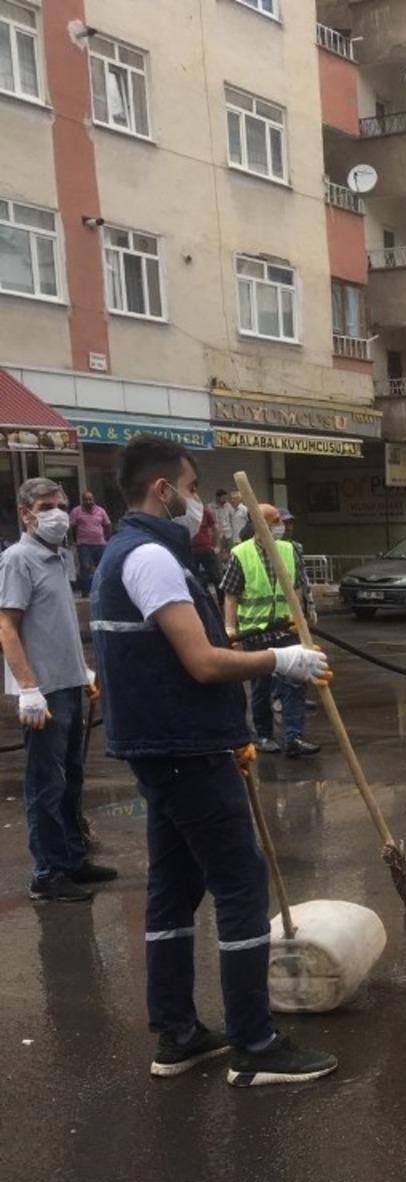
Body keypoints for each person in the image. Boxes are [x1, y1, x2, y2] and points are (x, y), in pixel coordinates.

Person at [90, 435, 336, 1086]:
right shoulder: (150, 558)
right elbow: (201, 661)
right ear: (162, 490)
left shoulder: (127, 553)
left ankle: (178, 1036)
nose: (204, 505)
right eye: (195, 490)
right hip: (183, 749)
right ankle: (255, 1045)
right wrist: (279, 660)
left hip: (164, 746)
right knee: (240, 886)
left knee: (174, 891)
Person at [0, 477, 118, 904]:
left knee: (70, 780)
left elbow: (55, 626)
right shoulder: (18, 558)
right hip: (44, 693)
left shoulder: (57, 557)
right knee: (46, 784)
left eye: (60, 505)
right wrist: (28, 688)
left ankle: (71, 858)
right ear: (25, 513)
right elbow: (7, 627)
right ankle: (48, 872)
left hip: (68, 684)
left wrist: (81, 670)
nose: (56, 514)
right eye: (46, 506)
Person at [221, 502, 319, 758]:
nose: (281, 526)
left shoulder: (290, 550)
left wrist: (300, 615)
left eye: (281, 521)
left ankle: (294, 737)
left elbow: (297, 586)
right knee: (261, 686)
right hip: (255, 632)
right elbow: (231, 595)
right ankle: (263, 734)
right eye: (275, 521)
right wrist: (230, 628)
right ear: (258, 524)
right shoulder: (241, 554)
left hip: (285, 628)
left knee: (295, 682)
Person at [69, 489, 111, 598]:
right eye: (86, 499)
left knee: (102, 567)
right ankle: (86, 592)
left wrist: (106, 539)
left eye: (90, 499)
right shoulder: (76, 511)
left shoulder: (101, 511)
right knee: (85, 568)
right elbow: (72, 527)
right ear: (82, 500)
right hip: (84, 545)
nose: (88, 501)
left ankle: (103, 591)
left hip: (100, 544)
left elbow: (107, 525)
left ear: (94, 499)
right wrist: (76, 540)